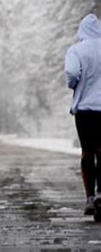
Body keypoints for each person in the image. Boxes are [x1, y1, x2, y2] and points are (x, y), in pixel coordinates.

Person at [65, 14, 101, 215]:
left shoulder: (76, 50)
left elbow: (71, 74)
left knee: (87, 152)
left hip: (86, 110)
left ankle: (89, 197)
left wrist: (75, 85)